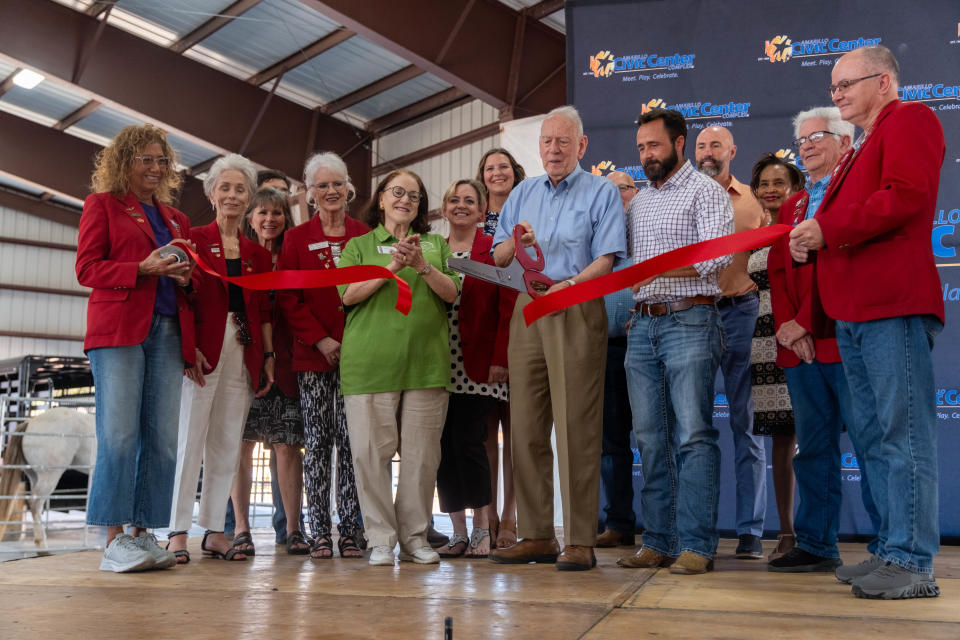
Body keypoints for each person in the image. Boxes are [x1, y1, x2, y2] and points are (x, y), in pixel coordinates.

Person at [789, 45, 945, 599]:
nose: (836, 95)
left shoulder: (911, 119)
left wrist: (827, 230)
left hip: (891, 306)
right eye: (832, 87)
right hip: (853, 311)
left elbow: (907, 196)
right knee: (877, 437)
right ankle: (889, 548)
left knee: (903, 436)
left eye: (845, 84)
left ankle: (912, 563)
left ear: (884, 82)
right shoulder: (862, 145)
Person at [489, 106, 626, 572]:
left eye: (564, 141)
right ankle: (537, 534)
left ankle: (581, 540)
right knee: (524, 425)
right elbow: (500, 254)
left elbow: (607, 258)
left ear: (582, 146)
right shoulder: (523, 192)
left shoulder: (601, 190)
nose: (554, 149)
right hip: (528, 308)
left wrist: (570, 287)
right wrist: (517, 241)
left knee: (576, 426)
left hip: (575, 302)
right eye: (548, 141)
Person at [76, 124, 196, 572]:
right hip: (118, 331)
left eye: (161, 160)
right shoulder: (102, 205)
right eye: (145, 159)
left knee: (163, 440)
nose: (155, 167)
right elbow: (87, 268)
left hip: (168, 330)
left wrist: (185, 277)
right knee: (120, 435)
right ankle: (113, 539)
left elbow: (189, 277)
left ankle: (144, 533)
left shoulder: (177, 218)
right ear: (124, 161)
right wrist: (140, 268)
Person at [618, 108, 733, 575]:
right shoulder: (639, 202)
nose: (647, 155)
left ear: (680, 143)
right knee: (649, 438)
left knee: (693, 435)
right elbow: (629, 270)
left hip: (691, 319)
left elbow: (715, 259)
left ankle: (698, 545)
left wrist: (656, 270)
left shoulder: (706, 192)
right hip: (642, 326)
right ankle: (659, 540)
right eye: (642, 147)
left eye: (655, 146)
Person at [767, 106, 881, 573]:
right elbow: (778, 270)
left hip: (843, 338)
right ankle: (815, 542)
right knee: (813, 448)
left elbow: (843, 265)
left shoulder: (855, 190)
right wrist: (788, 326)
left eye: (819, 136)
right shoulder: (793, 204)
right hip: (799, 346)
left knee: (873, 446)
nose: (807, 145)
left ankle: (889, 548)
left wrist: (807, 323)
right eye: (803, 139)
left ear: (845, 142)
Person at [337, 169, 460, 566]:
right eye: (397, 192)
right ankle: (379, 539)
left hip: (425, 366)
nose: (405, 199)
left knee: (422, 457)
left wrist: (422, 265)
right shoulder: (358, 246)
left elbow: (452, 293)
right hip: (370, 366)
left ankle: (415, 538)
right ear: (382, 199)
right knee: (370, 455)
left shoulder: (437, 244)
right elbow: (348, 295)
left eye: (414, 195)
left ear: (421, 205)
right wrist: (390, 268)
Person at [167, 154, 274, 563]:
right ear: (212, 194)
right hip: (201, 350)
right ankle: (177, 531)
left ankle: (214, 530)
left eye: (240, 189)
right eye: (225, 188)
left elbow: (263, 309)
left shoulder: (257, 253)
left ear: (249, 198)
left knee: (228, 442)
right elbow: (182, 299)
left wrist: (266, 356)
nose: (232, 195)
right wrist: (186, 346)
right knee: (189, 440)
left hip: (243, 350)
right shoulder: (192, 240)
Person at [277, 152, 370, 560]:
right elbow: (288, 297)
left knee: (351, 443)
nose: (330, 191)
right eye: (322, 185)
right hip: (313, 357)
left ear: (347, 188)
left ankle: (351, 529)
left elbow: (373, 292)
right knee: (317, 444)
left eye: (337, 184)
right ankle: (319, 531)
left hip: (357, 356)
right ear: (310, 193)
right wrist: (321, 340)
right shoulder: (296, 240)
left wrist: (349, 340)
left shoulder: (366, 236)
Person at [694, 126, 767, 560]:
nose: (708, 152)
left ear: (732, 152)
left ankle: (750, 532)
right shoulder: (679, 199)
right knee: (693, 428)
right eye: (701, 146)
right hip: (695, 314)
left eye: (715, 145)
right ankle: (696, 531)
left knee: (747, 425)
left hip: (742, 313)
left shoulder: (755, 201)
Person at [435, 179, 515, 559]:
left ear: (482, 212)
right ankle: (457, 531)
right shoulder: (433, 248)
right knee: (443, 447)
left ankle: (484, 527)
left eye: (470, 201)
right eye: (455, 200)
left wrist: (501, 357)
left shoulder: (493, 250)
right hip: (436, 364)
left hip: (480, 365)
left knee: (471, 443)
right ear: (444, 209)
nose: (461, 206)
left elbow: (506, 306)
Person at [228, 187, 309, 557]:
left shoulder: (293, 255)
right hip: (247, 360)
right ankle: (241, 528)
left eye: (277, 213)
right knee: (239, 446)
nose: (269, 219)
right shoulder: (241, 256)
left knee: (288, 446)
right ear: (250, 218)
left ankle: (294, 528)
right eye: (261, 212)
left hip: (289, 362)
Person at [746, 154, 805, 561]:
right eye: (764, 183)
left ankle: (817, 534)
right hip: (763, 345)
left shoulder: (803, 229)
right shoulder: (753, 234)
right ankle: (787, 534)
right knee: (782, 442)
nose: (771, 189)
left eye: (779, 182)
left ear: (795, 187)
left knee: (812, 440)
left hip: (800, 338)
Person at [475, 147, 526, 548]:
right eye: (490, 168)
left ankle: (510, 517)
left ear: (515, 173)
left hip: (520, 325)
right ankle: (487, 513)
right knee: (486, 435)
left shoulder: (528, 209)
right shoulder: (474, 217)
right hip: (480, 333)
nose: (497, 173)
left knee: (519, 433)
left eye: (503, 167)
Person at [596, 170, 637, 548]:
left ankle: (662, 526)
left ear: (634, 193)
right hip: (604, 350)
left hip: (645, 344)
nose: (614, 196)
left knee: (659, 439)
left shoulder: (647, 236)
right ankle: (619, 523)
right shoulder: (595, 242)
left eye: (621, 188)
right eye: (607, 190)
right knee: (611, 443)